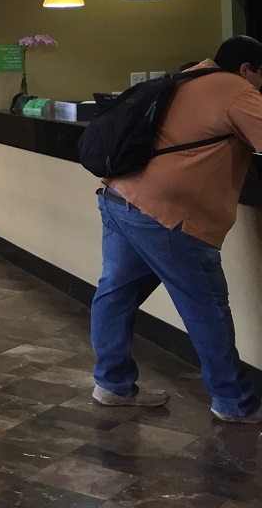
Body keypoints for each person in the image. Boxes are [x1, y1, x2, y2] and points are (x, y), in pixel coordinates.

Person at [90, 35, 262, 423]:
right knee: (207, 309)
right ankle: (234, 401)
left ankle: (112, 384)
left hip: (118, 198)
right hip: (168, 216)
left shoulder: (185, 75)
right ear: (247, 69)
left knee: (116, 294)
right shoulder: (235, 88)